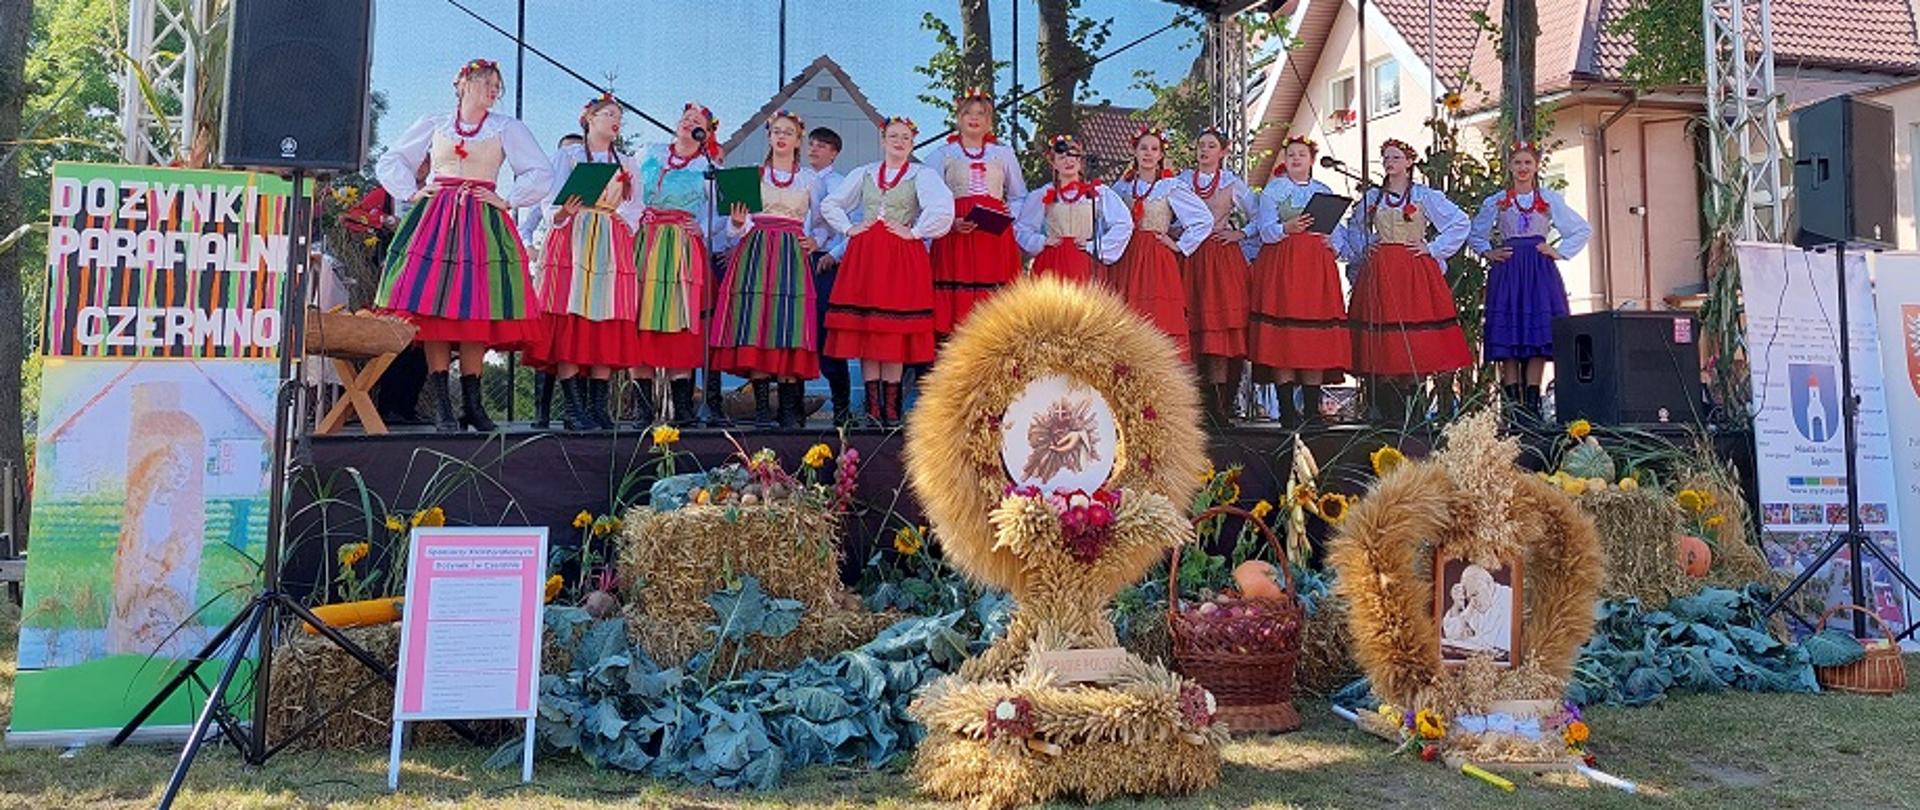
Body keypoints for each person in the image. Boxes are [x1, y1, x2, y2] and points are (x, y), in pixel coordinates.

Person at [373, 58, 552, 432]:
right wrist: (413, 191)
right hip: (436, 219)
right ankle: (442, 404)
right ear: (464, 83)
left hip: (482, 219)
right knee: (435, 311)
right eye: (487, 81)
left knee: (476, 310)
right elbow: (392, 159)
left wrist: (509, 199)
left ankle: (473, 403)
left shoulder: (506, 127)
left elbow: (540, 171)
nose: (493, 90)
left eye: (496, 85)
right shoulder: (435, 122)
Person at [819, 116, 956, 427]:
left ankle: (891, 409)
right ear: (883, 139)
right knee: (868, 328)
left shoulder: (922, 174)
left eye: (905, 137)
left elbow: (942, 208)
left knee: (893, 331)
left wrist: (916, 231)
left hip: (900, 256)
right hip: (866, 256)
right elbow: (832, 204)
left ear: (912, 142)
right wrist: (849, 228)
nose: (899, 141)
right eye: (893, 136)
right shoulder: (864, 172)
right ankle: (872, 408)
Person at [526, 94, 646, 430]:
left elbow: (635, 205)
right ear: (589, 119)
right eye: (607, 113)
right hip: (573, 237)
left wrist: (623, 222)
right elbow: (550, 197)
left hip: (609, 237)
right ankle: (573, 407)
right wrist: (563, 212)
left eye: (618, 115)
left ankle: (597, 406)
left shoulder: (626, 162)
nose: (614, 119)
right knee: (570, 315)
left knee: (604, 318)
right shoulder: (569, 154)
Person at [1336, 138, 1472, 426]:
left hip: (1412, 270)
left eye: (1395, 157)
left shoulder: (1423, 195)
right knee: (1383, 338)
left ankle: (1413, 407)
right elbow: (1354, 226)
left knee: (1412, 336)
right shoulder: (1374, 198)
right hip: (1381, 269)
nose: (1389, 162)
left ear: (1409, 162)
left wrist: (1432, 248)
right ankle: (1386, 408)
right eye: (1385, 157)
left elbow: (1459, 222)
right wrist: (1365, 246)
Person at [712, 110, 826, 428]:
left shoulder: (810, 180)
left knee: (789, 324)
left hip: (791, 251)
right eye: (776, 131)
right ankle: (762, 409)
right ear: (769, 136)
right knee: (757, 322)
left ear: (798, 138)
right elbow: (736, 227)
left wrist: (816, 241)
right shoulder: (754, 175)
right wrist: (736, 223)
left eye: (788, 131)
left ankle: (789, 410)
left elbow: (823, 221)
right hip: (756, 251)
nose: (781, 136)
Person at [1467, 141, 1591, 420]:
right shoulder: (1498, 201)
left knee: (1538, 334)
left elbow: (1581, 229)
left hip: (1538, 270)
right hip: (1509, 268)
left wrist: (1557, 251)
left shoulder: (1548, 200)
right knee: (1510, 335)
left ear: (1536, 167)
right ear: (1509, 167)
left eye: (1528, 163)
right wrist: (1488, 251)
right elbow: (1475, 232)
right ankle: (1512, 407)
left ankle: (1532, 403)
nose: (1523, 168)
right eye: (1518, 163)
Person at [632, 102, 724, 426]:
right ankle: (642, 408)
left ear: (706, 133)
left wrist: (704, 228)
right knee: (642, 315)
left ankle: (681, 408)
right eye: (685, 118)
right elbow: (629, 192)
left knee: (681, 320)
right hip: (647, 241)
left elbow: (724, 216)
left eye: (696, 121)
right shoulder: (649, 154)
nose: (688, 123)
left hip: (683, 247)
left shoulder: (707, 168)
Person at [1250, 135, 1350, 428]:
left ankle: (1311, 409)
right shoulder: (1274, 190)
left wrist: (1332, 242)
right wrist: (1286, 227)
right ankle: (1287, 411)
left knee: (1314, 338)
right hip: (1284, 265)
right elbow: (1264, 230)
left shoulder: (1324, 191)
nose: (1296, 159)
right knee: (1284, 337)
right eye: (1291, 154)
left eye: (1301, 155)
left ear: (1311, 160)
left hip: (1316, 268)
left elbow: (1338, 234)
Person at [927, 88, 1028, 336]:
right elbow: (930, 198)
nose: (974, 118)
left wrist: (1005, 217)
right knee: (956, 308)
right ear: (959, 118)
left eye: (981, 113)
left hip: (993, 237)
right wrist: (950, 222)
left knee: (993, 303)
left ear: (989, 121)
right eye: (968, 113)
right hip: (955, 235)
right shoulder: (942, 154)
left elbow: (1018, 195)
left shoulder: (1002, 153)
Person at [1108, 127, 1213, 361]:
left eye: (1154, 149)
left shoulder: (1170, 186)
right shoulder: (1122, 188)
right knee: (1129, 315)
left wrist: (1179, 245)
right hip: (1127, 256)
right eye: (1143, 148)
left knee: (1157, 317)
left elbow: (1203, 219)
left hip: (1156, 256)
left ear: (1161, 155)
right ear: (1134, 151)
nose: (1148, 153)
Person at [1178, 128, 1258, 425]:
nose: (1204, 151)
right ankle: (1194, 404)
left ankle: (1220, 406)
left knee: (1221, 331)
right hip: (1190, 256)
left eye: (1211, 146)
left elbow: (1258, 215)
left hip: (1221, 259)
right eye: (1201, 145)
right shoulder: (1181, 182)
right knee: (1193, 329)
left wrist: (1241, 233)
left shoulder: (1231, 184)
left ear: (1223, 152)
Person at [525, 131, 585, 430]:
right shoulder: (548, 191)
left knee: (571, 331)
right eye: (568, 150)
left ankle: (576, 408)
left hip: (580, 260)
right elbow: (527, 227)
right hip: (550, 264)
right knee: (548, 333)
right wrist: (532, 250)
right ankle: (541, 411)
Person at [1013, 135, 1132, 284]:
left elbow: (1123, 223)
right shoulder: (1043, 194)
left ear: (1080, 160)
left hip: (1084, 262)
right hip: (1051, 264)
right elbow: (1023, 228)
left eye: (1072, 155)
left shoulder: (1098, 192)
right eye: (1061, 157)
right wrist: (1042, 241)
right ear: (1053, 163)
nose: (1068, 160)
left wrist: (1094, 246)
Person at [806, 127, 854, 425]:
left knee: (827, 334)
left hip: (826, 263)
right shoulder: (797, 178)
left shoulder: (843, 183)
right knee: (797, 331)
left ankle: (842, 410)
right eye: (811, 144)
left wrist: (832, 253)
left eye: (822, 146)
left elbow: (855, 226)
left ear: (835, 152)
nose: (814, 150)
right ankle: (791, 407)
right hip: (795, 261)